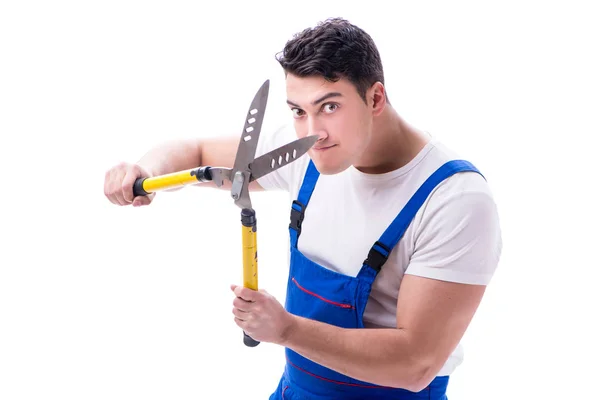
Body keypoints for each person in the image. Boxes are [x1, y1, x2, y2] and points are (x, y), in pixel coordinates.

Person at [104, 17, 502, 400]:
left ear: (375, 98)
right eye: (298, 111)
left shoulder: (454, 201)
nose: (312, 132)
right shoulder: (304, 155)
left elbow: (415, 364)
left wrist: (287, 330)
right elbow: (197, 153)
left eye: (329, 107)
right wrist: (146, 172)